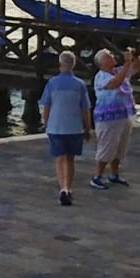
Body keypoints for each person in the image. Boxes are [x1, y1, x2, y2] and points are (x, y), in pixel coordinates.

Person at [38, 52, 94, 206]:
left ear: (60, 63)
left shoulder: (52, 83)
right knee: (70, 158)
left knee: (59, 158)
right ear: (73, 64)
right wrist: (88, 128)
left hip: (56, 126)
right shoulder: (80, 84)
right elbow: (85, 109)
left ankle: (62, 188)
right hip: (74, 127)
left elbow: (47, 106)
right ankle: (68, 188)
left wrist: (46, 123)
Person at [89, 49, 138, 189]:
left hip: (124, 114)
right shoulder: (101, 76)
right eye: (108, 56)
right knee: (107, 146)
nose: (112, 57)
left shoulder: (118, 71)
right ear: (102, 62)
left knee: (120, 147)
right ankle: (97, 176)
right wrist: (128, 62)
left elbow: (137, 67)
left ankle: (114, 174)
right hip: (108, 117)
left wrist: (135, 55)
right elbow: (116, 82)